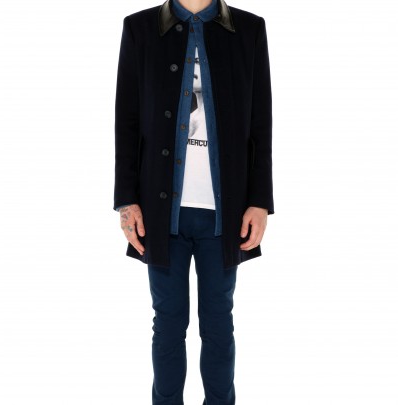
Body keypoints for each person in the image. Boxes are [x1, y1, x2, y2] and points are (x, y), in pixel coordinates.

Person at [113, 0, 274, 403]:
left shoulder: (249, 29)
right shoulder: (140, 29)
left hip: (226, 213)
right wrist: (126, 200)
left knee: (218, 323)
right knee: (168, 324)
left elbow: (261, 122)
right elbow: (126, 120)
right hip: (160, 212)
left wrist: (259, 200)